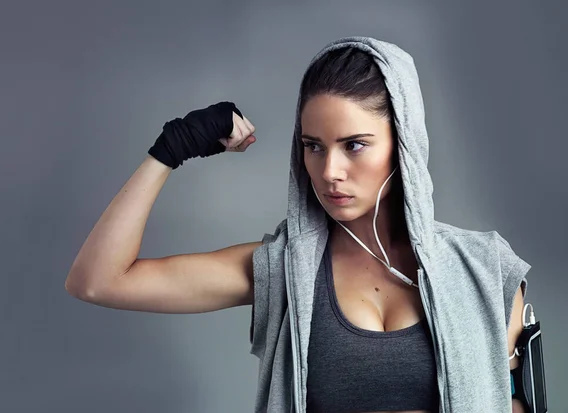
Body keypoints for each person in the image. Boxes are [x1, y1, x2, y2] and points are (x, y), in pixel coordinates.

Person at [65, 37, 531, 413]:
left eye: (354, 145)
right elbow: (98, 281)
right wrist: (171, 148)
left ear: (403, 143)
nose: (329, 171)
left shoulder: (483, 269)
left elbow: (514, 404)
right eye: (313, 145)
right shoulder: (283, 270)